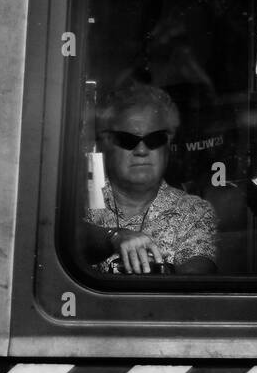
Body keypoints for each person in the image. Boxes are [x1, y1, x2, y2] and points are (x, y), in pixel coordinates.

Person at [81, 82, 218, 275]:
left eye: (155, 139)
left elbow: (196, 277)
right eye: (127, 140)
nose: (142, 150)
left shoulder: (195, 212)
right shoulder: (79, 201)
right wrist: (113, 237)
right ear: (105, 144)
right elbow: (59, 237)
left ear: (168, 145)